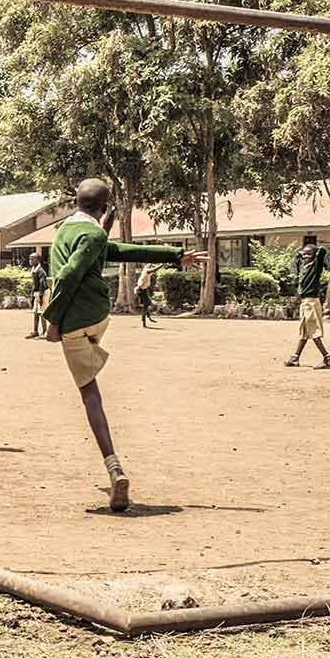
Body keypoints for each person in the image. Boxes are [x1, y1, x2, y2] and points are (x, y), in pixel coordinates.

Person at [43, 178, 204, 512]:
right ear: (104, 207)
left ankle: (114, 466)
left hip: (76, 320)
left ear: (75, 201)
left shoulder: (63, 231)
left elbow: (70, 273)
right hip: (96, 315)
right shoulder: (95, 234)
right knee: (89, 375)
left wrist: (53, 320)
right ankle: (91, 356)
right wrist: (176, 255)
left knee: (89, 391)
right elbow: (121, 251)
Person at [285, 233, 330, 369]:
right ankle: (295, 358)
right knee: (304, 332)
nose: (306, 256)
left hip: (311, 302)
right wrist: (301, 254)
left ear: (314, 256)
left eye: (309, 254)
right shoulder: (303, 267)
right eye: (304, 254)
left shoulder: (315, 267)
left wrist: (316, 250)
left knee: (313, 332)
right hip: (304, 303)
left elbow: (322, 251)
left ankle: (327, 358)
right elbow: (297, 259)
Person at [25, 251, 49, 339]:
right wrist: (33, 295)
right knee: (35, 312)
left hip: (43, 292)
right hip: (37, 292)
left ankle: (44, 332)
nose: (30, 260)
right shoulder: (34, 270)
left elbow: (42, 284)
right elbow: (34, 285)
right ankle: (35, 331)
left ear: (38, 260)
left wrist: (41, 296)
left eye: (32, 259)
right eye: (29, 259)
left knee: (42, 312)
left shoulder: (41, 271)